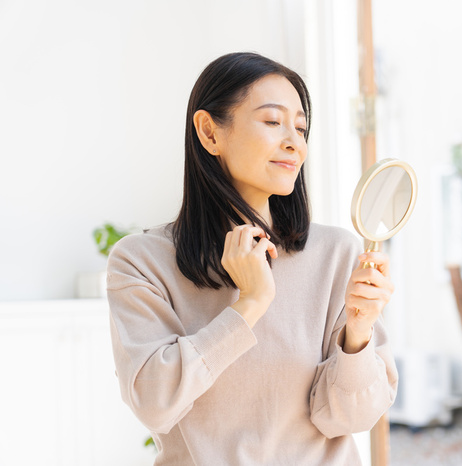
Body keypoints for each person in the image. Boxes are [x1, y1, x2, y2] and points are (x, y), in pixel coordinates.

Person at [107, 52, 398, 465]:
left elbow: (348, 417)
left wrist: (359, 332)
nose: (294, 142)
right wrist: (249, 304)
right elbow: (155, 403)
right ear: (210, 133)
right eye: (273, 121)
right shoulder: (141, 262)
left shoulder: (337, 254)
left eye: (300, 127)